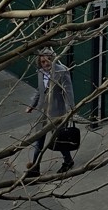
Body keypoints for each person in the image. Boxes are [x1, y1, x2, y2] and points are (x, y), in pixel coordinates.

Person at [24, 48, 76, 177]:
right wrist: (32, 105)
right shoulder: (41, 72)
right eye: (43, 62)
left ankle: (68, 161)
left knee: (59, 139)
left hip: (57, 112)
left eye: (48, 60)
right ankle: (35, 168)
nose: (46, 64)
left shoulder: (62, 71)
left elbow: (68, 92)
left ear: (53, 59)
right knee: (39, 141)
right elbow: (39, 90)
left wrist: (70, 110)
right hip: (42, 112)